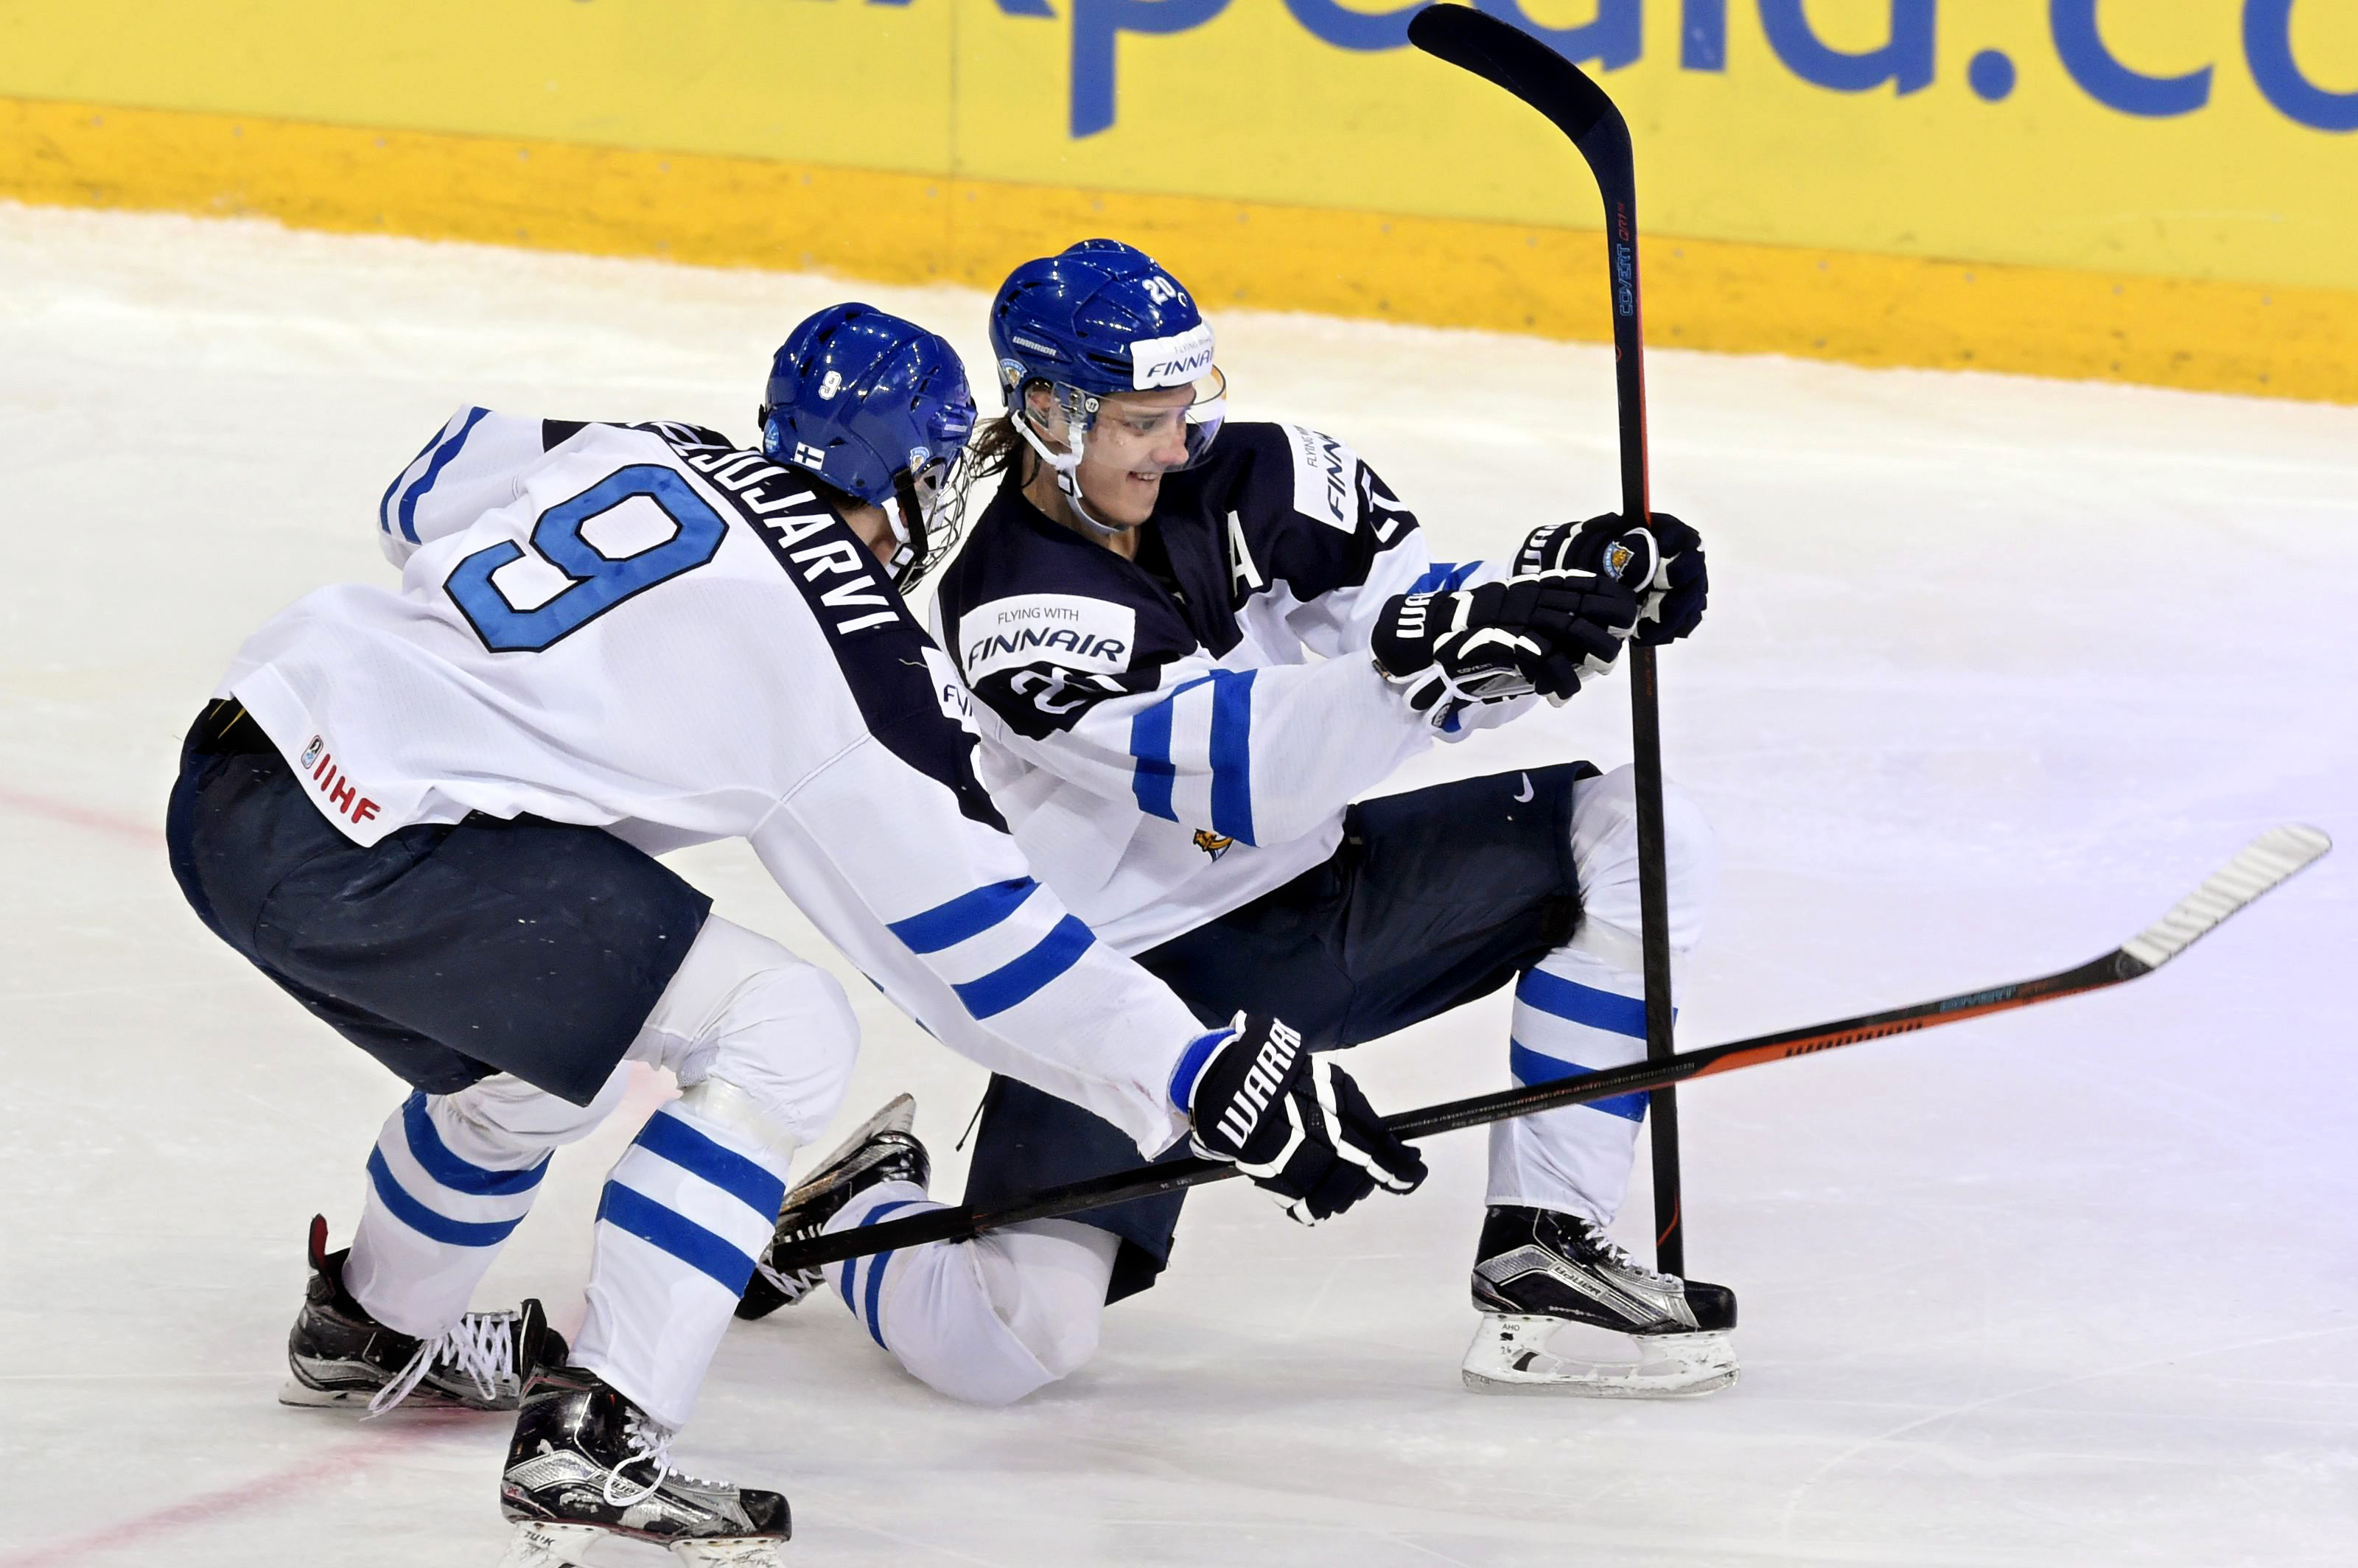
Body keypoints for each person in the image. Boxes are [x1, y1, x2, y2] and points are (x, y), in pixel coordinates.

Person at [165, 301, 1423, 1567]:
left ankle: (373, 1326)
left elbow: (425, 484)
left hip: (236, 772)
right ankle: (598, 1437)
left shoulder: (638, 440)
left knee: (554, 1054)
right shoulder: (851, 656)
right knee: (783, 1028)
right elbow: (981, 951)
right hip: (381, 849)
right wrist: (1193, 1070)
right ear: (909, 482)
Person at [744, 240, 1735, 1401]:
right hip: (1139, 989)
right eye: (1139, 421)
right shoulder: (1008, 608)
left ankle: (1542, 1247)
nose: (1175, 446)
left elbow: (1412, 611)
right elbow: (1246, 772)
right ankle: (859, 1202)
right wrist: (1432, 666)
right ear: (1048, 410)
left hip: (1328, 903)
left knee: (1636, 834)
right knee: (1010, 1344)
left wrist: (1564, 598)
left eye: (1183, 409)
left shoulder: (1262, 473)